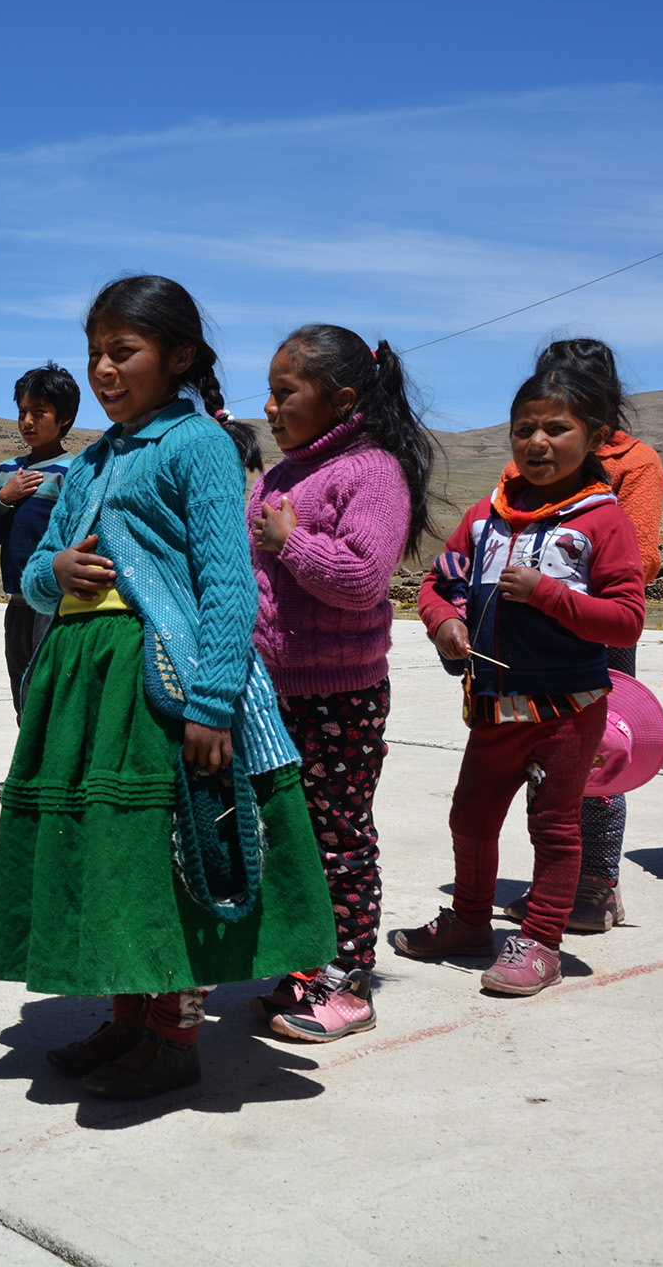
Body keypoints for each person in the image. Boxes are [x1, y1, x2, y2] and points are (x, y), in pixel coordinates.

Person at [0, 275, 336, 1099]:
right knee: (116, 852)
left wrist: (213, 702)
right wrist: (55, 571)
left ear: (177, 356)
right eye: (96, 353)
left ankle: (174, 1034)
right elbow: (36, 572)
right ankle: (129, 1019)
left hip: (159, 683)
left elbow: (226, 581)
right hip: (84, 683)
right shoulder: (92, 460)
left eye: (123, 352)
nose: (104, 370)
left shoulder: (199, 444)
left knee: (167, 850)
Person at [395, 363, 645, 996]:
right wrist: (445, 622)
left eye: (557, 429)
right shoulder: (486, 516)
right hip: (491, 706)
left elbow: (626, 623)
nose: (537, 442)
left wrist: (548, 595)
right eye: (523, 429)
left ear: (594, 438)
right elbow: (436, 582)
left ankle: (540, 941)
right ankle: (470, 922)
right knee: (471, 817)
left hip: (568, 707)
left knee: (554, 825)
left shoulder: (601, 521)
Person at [246, 324, 438, 1043]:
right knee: (287, 838)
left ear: (342, 398)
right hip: (272, 690)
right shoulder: (277, 474)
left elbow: (362, 581)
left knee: (338, 839)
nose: (269, 406)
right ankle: (303, 965)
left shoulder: (371, 472)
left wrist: (290, 541)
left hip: (338, 694)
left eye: (285, 392)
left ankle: (349, 981)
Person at [499, 339, 663, 933]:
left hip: (598, 634)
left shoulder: (635, 462)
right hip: (527, 638)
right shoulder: (524, 464)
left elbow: (640, 558)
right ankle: (554, 886)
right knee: (535, 759)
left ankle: (596, 885)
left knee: (599, 757)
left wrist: (559, 586)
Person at [0, 362, 79, 717]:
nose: (27, 421)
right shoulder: (7, 471)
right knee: (21, 689)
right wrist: (4, 498)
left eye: (39, 413)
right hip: (17, 602)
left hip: (55, 603)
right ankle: (28, 765)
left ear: (64, 418)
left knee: (48, 690)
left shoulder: (74, 472)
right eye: (23, 412)